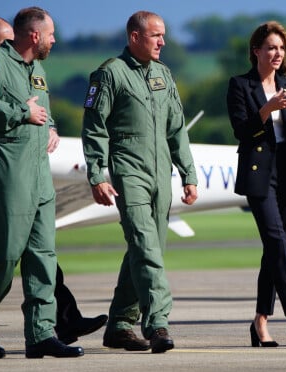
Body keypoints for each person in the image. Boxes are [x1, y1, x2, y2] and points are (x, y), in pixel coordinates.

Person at [0, 16, 108, 348]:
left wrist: (50, 126)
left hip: (38, 174)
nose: (55, 40)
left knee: (43, 257)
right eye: (51, 34)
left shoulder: (38, 70)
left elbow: (42, 110)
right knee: (4, 255)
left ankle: (42, 334)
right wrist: (21, 113)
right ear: (35, 35)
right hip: (8, 173)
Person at [81, 10, 198, 354]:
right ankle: (158, 323)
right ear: (134, 37)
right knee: (147, 248)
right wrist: (96, 174)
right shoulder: (109, 74)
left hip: (162, 175)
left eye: (163, 35)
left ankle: (118, 325)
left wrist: (188, 174)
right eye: (155, 35)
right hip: (128, 172)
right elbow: (94, 128)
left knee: (147, 249)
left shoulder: (163, 73)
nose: (163, 41)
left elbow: (176, 129)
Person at [226, 21, 286, 347]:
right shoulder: (240, 85)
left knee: (274, 250)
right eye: (271, 48)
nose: (277, 53)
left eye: (281, 48)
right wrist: (266, 109)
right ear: (256, 51)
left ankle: (260, 321)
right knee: (276, 243)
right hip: (258, 174)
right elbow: (241, 130)